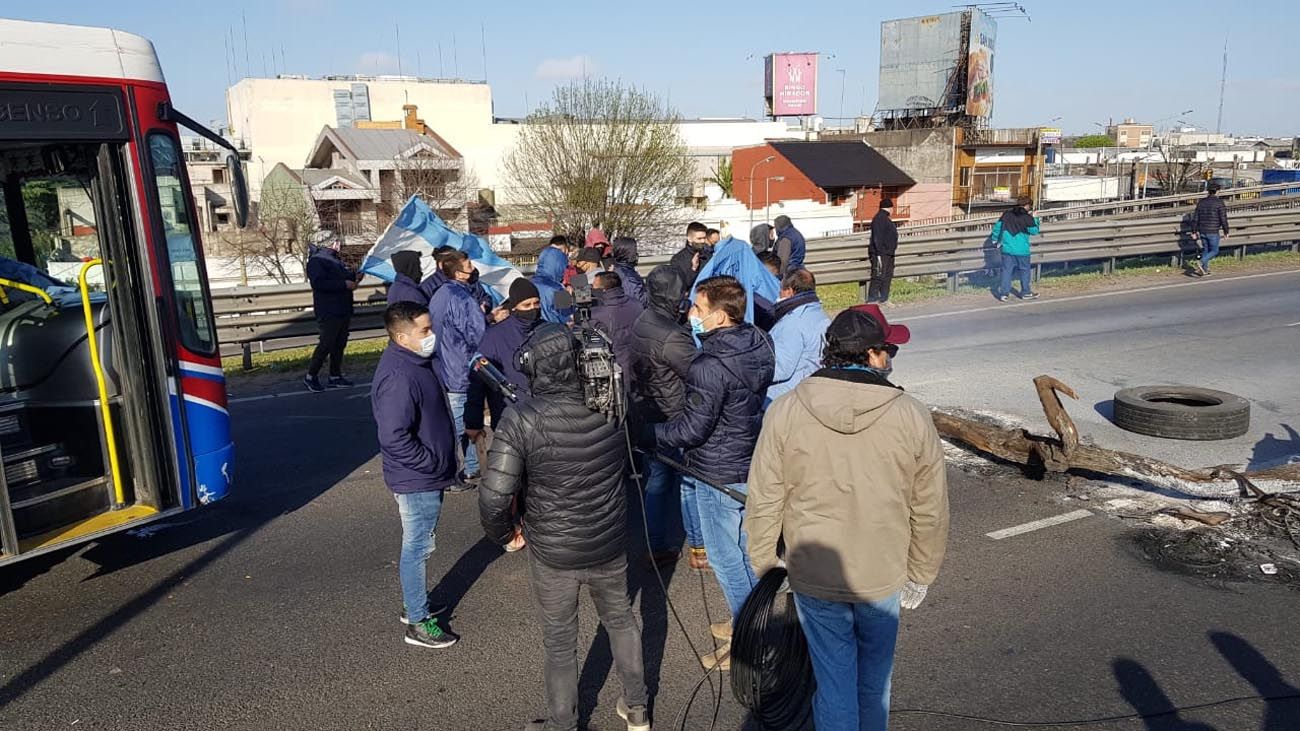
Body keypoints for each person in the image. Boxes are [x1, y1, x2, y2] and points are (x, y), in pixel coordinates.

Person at [745, 307, 949, 731]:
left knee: (833, 681)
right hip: (883, 573)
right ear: (872, 355)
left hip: (813, 574)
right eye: (888, 349)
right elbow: (929, 507)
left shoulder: (785, 410)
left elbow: (764, 497)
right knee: (874, 683)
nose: (892, 356)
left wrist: (766, 562)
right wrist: (922, 571)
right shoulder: (911, 414)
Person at [480, 324, 651, 731]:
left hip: (554, 551)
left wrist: (507, 535)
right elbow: (635, 458)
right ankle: (638, 710)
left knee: (560, 643)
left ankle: (563, 724)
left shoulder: (520, 419)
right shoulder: (612, 401)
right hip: (608, 539)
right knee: (623, 622)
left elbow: (493, 498)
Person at [648, 275, 774, 669]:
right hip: (748, 459)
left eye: (698, 309)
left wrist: (648, 432)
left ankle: (752, 638)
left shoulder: (708, 365)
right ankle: (752, 620)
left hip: (716, 469)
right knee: (744, 551)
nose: (691, 314)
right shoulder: (758, 342)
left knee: (725, 557)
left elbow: (692, 430)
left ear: (719, 317)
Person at [371, 301, 462, 649]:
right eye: (424, 331)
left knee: (420, 543)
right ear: (401, 336)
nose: (432, 335)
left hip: (423, 473)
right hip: (417, 477)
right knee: (418, 547)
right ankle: (419, 622)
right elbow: (393, 436)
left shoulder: (412, 361)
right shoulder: (400, 375)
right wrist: (431, 463)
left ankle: (416, 603)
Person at [629, 265, 702, 569]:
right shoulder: (672, 336)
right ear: (673, 296)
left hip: (648, 412)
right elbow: (699, 373)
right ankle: (699, 547)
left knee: (657, 481)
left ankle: (656, 544)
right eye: (683, 293)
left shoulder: (642, 320)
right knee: (689, 481)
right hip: (675, 416)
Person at [428, 250, 487, 491]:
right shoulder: (462, 298)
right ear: (459, 272)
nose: (473, 267)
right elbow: (476, 334)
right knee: (459, 425)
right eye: (469, 264)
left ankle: (472, 465)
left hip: (445, 363)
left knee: (461, 421)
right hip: (461, 367)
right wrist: (489, 318)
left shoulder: (440, 293)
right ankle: (449, 475)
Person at [465, 277, 544, 447]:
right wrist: (473, 421)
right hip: (511, 419)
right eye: (527, 305)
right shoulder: (494, 337)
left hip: (547, 416)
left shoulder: (547, 330)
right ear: (514, 307)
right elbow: (478, 380)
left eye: (536, 303)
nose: (533, 309)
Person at [304, 235, 359, 393]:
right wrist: (343, 284)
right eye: (336, 241)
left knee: (339, 343)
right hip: (328, 309)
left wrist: (355, 277)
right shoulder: (316, 261)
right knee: (326, 342)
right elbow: (319, 283)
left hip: (342, 307)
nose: (339, 244)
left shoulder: (335, 260)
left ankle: (335, 375)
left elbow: (345, 279)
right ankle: (311, 375)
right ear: (329, 243)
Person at [767, 269, 830, 405]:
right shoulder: (821, 316)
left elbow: (779, 369)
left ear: (789, 291)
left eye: (781, 290)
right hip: (812, 392)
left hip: (784, 398)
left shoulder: (792, 322)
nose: (779, 294)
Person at [590, 271, 645, 385]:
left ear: (603, 290)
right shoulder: (637, 305)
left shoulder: (597, 314)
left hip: (616, 370)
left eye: (593, 287)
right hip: (641, 364)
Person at [991, 205, 1041, 302]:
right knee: (1025, 271)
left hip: (1007, 249)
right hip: (1022, 250)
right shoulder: (1027, 217)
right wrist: (1035, 218)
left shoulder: (1006, 214)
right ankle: (1025, 292)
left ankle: (1004, 294)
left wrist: (994, 239)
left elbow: (997, 227)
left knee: (1006, 271)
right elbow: (1034, 231)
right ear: (1027, 206)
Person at [1191, 183, 1230, 276]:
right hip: (1213, 231)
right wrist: (1226, 231)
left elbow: (1195, 218)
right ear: (1217, 191)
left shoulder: (1201, 202)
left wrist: (1194, 231)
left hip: (1202, 230)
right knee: (1214, 251)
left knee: (1206, 249)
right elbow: (1223, 218)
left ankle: (1204, 269)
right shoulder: (1219, 203)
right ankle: (1201, 262)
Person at [867, 200, 899, 304]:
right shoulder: (880, 219)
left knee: (887, 276)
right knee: (878, 276)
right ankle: (873, 300)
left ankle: (884, 299)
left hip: (888, 253)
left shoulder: (884, 219)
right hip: (881, 253)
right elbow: (877, 238)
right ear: (890, 208)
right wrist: (879, 254)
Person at [533, 245, 574, 324]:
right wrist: (570, 298)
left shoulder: (528, 283)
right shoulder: (557, 288)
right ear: (558, 265)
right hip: (555, 330)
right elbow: (568, 316)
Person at [610, 236, 647, 306]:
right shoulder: (628, 277)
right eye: (635, 251)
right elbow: (638, 302)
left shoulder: (620, 270)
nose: (637, 255)